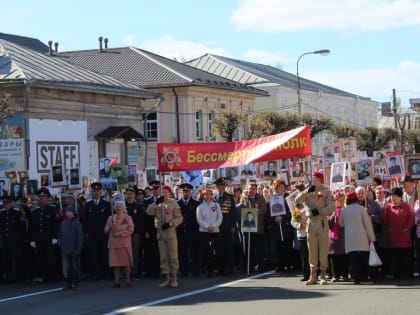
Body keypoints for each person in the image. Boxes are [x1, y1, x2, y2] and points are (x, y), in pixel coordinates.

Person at [295, 171, 335, 285]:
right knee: (312, 250)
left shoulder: (326, 191)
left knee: (323, 249)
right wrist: (307, 192)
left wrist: (320, 211)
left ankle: (323, 275)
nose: (312, 179)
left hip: (322, 221)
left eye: (314, 177)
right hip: (311, 223)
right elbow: (297, 200)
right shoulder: (308, 190)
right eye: (312, 177)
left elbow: (332, 206)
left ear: (319, 179)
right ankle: (313, 275)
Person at [147, 185, 183, 288]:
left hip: (170, 231)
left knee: (173, 256)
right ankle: (167, 278)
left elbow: (179, 218)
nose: (164, 194)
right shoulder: (157, 204)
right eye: (162, 192)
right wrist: (156, 203)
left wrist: (170, 224)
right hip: (160, 233)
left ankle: (174, 278)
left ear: (170, 193)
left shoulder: (173, 203)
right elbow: (148, 211)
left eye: (166, 192)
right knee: (163, 257)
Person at [339, 191, 376, 284]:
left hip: (349, 237)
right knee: (364, 258)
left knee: (353, 259)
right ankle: (368, 277)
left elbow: (341, 223)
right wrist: (372, 237)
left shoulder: (344, 210)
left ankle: (356, 278)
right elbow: (367, 224)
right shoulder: (361, 209)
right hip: (362, 236)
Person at [381, 187, 414, 280]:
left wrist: (406, 228)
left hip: (404, 237)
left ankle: (407, 274)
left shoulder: (406, 206)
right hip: (393, 236)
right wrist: (384, 209)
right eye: (391, 196)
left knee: (405, 256)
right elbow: (384, 219)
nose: (393, 198)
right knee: (395, 257)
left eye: (395, 196)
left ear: (400, 197)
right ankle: (396, 274)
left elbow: (411, 219)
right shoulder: (388, 207)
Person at [28, 188, 59, 282]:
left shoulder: (52, 209)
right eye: (41, 197)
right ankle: (45, 276)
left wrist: (55, 236)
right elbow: (32, 226)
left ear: (48, 198)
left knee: (50, 258)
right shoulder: (35, 211)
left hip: (48, 238)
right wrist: (32, 239)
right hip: (39, 238)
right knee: (41, 258)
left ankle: (53, 277)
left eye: (44, 197)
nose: (43, 199)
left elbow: (55, 224)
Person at [83, 182, 111, 281]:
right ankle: (96, 274)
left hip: (103, 233)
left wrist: (108, 230)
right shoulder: (88, 205)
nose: (96, 193)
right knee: (94, 254)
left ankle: (107, 274)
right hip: (93, 234)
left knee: (104, 253)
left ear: (101, 192)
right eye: (94, 191)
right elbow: (85, 219)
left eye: (98, 191)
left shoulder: (106, 204)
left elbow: (109, 219)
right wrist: (86, 232)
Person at [105, 199, 134, 288]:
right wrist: (110, 226)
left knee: (126, 263)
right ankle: (116, 282)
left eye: (120, 207)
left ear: (123, 208)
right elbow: (105, 231)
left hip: (124, 243)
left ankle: (128, 281)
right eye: (117, 207)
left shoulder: (127, 217)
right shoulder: (111, 218)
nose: (118, 208)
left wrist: (120, 234)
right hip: (113, 244)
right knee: (115, 264)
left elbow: (131, 229)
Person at [239, 182, 268, 272]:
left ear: (256, 190)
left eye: (252, 189)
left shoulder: (260, 198)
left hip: (258, 228)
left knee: (260, 249)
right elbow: (240, 210)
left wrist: (252, 212)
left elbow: (264, 210)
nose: (250, 190)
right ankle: (248, 267)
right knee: (248, 249)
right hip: (247, 227)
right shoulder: (243, 198)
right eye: (249, 188)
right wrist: (249, 212)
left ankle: (261, 266)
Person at [197, 188, 222, 277]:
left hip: (215, 231)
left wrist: (214, 226)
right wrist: (207, 227)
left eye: (210, 194)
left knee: (217, 250)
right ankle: (209, 270)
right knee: (206, 252)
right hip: (204, 232)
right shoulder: (200, 207)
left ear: (212, 195)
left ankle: (218, 268)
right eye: (206, 194)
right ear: (203, 196)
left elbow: (220, 217)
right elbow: (199, 219)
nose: (208, 196)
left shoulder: (216, 205)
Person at [177, 183, 201, 277]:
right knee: (182, 252)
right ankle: (184, 271)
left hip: (193, 232)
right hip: (181, 231)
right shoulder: (178, 203)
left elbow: (197, 218)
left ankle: (195, 271)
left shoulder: (196, 203)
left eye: (187, 191)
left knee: (194, 252)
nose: (186, 193)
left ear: (190, 192)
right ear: (181, 192)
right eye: (184, 191)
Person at [214, 177, 237, 276]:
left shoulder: (229, 197)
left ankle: (230, 269)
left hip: (227, 226)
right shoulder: (214, 197)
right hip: (217, 227)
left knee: (228, 248)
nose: (222, 187)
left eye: (223, 185)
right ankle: (221, 269)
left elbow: (233, 212)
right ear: (217, 186)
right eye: (220, 185)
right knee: (219, 249)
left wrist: (233, 225)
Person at [0, 195, 25, 283]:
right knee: (7, 259)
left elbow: (21, 225)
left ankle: (19, 276)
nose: (7, 205)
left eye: (8, 203)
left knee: (18, 259)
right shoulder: (2, 213)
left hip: (15, 239)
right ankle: (8, 276)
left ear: (11, 203)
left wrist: (22, 238)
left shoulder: (16, 212)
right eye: (5, 203)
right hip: (6, 240)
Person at [58, 205, 83, 290]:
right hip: (65, 248)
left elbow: (80, 237)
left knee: (75, 267)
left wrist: (78, 249)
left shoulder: (77, 223)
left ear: (73, 213)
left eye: (69, 211)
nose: (68, 213)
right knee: (68, 267)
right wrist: (60, 243)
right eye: (67, 211)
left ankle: (76, 283)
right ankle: (68, 283)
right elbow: (60, 234)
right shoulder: (63, 223)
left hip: (74, 249)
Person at [328, 190, 349, 282]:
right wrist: (332, 217)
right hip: (333, 235)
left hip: (344, 235)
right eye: (338, 199)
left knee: (344, 256)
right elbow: (328, 224)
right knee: (333, 255)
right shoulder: (331, 210)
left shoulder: (347, 209)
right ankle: (335, 275)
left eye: (341, 199)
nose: (340, 200)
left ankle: (344, 275)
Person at [125, 186, 145, 279]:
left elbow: (140, 221)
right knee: (126, 254)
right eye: (128, 194)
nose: (129, 196)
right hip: (125, 235)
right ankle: (127, 272)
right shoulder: (124, 206)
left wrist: (132, 228)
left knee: (135, 253)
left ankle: (135, 272)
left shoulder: (138, 207)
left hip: (135, 233)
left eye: (131, 194)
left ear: (135, 195)